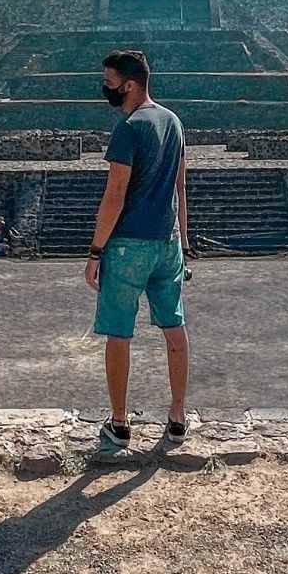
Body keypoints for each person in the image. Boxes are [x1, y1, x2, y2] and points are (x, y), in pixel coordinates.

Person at [84, 48, 190, 459]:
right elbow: (180, 187)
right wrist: (183, 241)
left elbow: (114, 195)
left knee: (118, 334)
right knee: (174, 328)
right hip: (168, 241)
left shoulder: (128, 128)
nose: (105, 89)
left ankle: (120, 422)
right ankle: (178, 417)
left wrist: (95, 251)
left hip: (128, 245)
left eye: (109, 82)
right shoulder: (173, 121)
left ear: (129, 84)